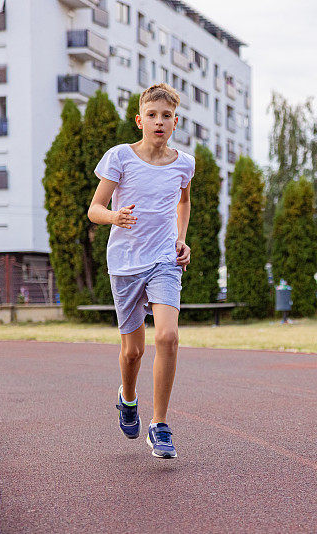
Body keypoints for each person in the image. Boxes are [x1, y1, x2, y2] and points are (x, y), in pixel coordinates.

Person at [88, 83, 195, 459]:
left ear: (175, 122)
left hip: (164, 261)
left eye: (166, 116)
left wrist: (181, 239)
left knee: (167, 336)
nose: (159, 122)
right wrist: (114, 216)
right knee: (133, 351)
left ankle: (159, 424)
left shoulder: (184, 163)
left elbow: (183, 201)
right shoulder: (120, 157)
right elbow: (94, 208)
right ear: (139, 120)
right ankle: (127, 397)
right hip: (125, 265)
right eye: (152, 115)